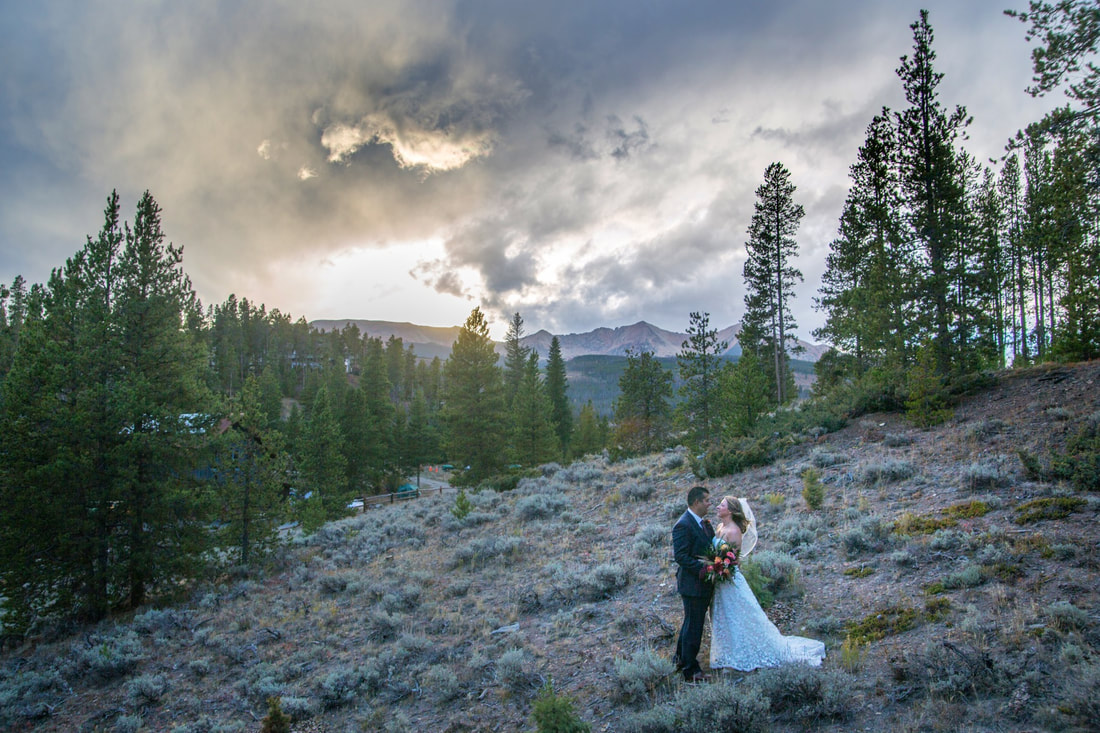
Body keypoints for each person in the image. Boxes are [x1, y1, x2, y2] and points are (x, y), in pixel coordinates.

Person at [709, 495, 826, 672]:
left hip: (729, 578)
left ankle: (740, 654)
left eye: (722, 505)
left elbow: (732, 560)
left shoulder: (733, 532)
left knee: (739, 614)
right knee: (724, 615)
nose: (718, 507)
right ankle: (728, 652)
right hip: (719, 581)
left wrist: (720, 568)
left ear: (731, 510)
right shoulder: (719, 527)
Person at [672, 485, 715, 682]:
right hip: (692, 585)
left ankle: (680, 660)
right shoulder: (683, 525)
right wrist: (703, 570)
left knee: (691, 623)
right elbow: (680, 556)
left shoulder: (704, 523)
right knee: (694, 626)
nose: (709, 504)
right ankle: (690, 670)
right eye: (706, 500)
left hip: (703, 585)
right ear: (696, 502)